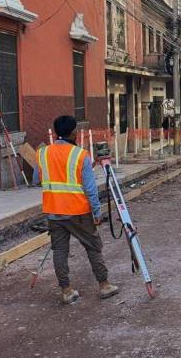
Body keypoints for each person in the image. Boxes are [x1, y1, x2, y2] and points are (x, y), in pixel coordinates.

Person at [33, 115, 118, 304]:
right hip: (79, 212)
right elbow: (90, 189)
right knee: (93, 246)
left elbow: (37, 180)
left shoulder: (42, 153)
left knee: (60, 251)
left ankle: (66, 291)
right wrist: (97, 212)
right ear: (74, 133)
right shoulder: (81, 155)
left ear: (56, 132)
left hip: (54, 212)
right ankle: (104, 285)